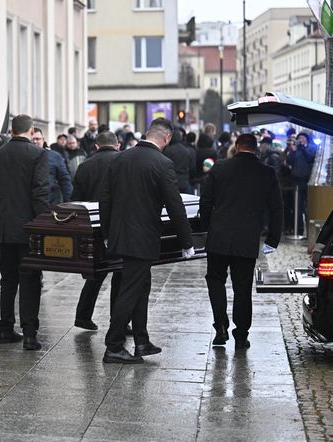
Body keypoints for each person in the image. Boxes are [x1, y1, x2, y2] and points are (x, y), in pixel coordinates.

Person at [99, 118, 194, 364]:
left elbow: (105, 200)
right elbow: (175, 205)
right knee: (130, 291)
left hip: (121, 234)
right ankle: (114, 346)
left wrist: (108, 233)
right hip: (143, 237)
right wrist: (186, 241)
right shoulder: (163, 164)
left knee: (141, 287)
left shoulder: (120, 158)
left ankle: (142, 340)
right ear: (167, 138)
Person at [200, 134, 283, 349]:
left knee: (215, 281)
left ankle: (220, 325)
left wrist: (207, 226)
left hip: (219, 236)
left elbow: (206, 201)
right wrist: (273, 239)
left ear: (237, 147)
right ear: (256, 149)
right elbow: (276, 209)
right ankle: (241, 332)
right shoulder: (266, 173)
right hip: (246, 238)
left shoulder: (219, 168)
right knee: (243, 287)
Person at [0, 114, 50, 351]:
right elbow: (39, 194)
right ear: (30, 131)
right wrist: (46, 224)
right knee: (30, 280)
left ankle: (5, 328)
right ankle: (30, 333)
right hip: (29, 229)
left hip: (4, 228)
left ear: (13, 130)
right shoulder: (38, 154)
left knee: (8, 280)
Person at [71, 131, 124, 331]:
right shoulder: (123, 162)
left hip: (92, 225)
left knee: (96, 273)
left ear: (96, 146)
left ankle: (83, 316)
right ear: (118, 145)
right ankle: (117, 320)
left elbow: (75, 199)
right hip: (117, 225)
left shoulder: (85, 166)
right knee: (120, 274)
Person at [285, 131, 316, 235]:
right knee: (297, 207)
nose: (301, 140)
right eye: (299, 138)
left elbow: (310, 158)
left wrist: (302, 148)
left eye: (302, 138)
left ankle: (310, 231)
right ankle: (298, 230)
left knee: (309, 207)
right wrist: (293, 151)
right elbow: (289, 161)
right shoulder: (295, 150)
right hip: (296, 181)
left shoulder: (311, 148)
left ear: (307, 139)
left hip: (307, 181)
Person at [32, 128, 72, 204]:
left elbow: (65, 180)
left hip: (51, 202)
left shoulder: (54, 156)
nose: (34, 142)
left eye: (37, 139)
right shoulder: (23, 156)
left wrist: (69, 202)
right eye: (32, 139)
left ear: (43, 140)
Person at [163, 129, 196, 194]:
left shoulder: (167, 151)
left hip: (171, 181)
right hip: (184, 181)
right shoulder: (186, 151)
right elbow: (192, 167)